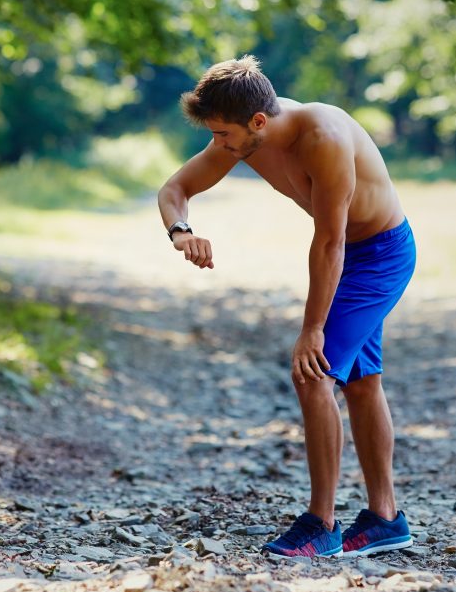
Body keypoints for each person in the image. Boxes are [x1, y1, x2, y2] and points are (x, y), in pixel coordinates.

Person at [156, 56, 416, 558]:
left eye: (224, 135)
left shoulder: (324, 137)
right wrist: (181, 231)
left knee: (313, 373)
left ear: (258, 121)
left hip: (378, 253)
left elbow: (330, 245)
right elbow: (174, 190)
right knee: (361, 382)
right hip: (349, 252)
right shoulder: (245, 137)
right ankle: (385, 519)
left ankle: (322, 525)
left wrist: (311, 328)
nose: (219, 145)